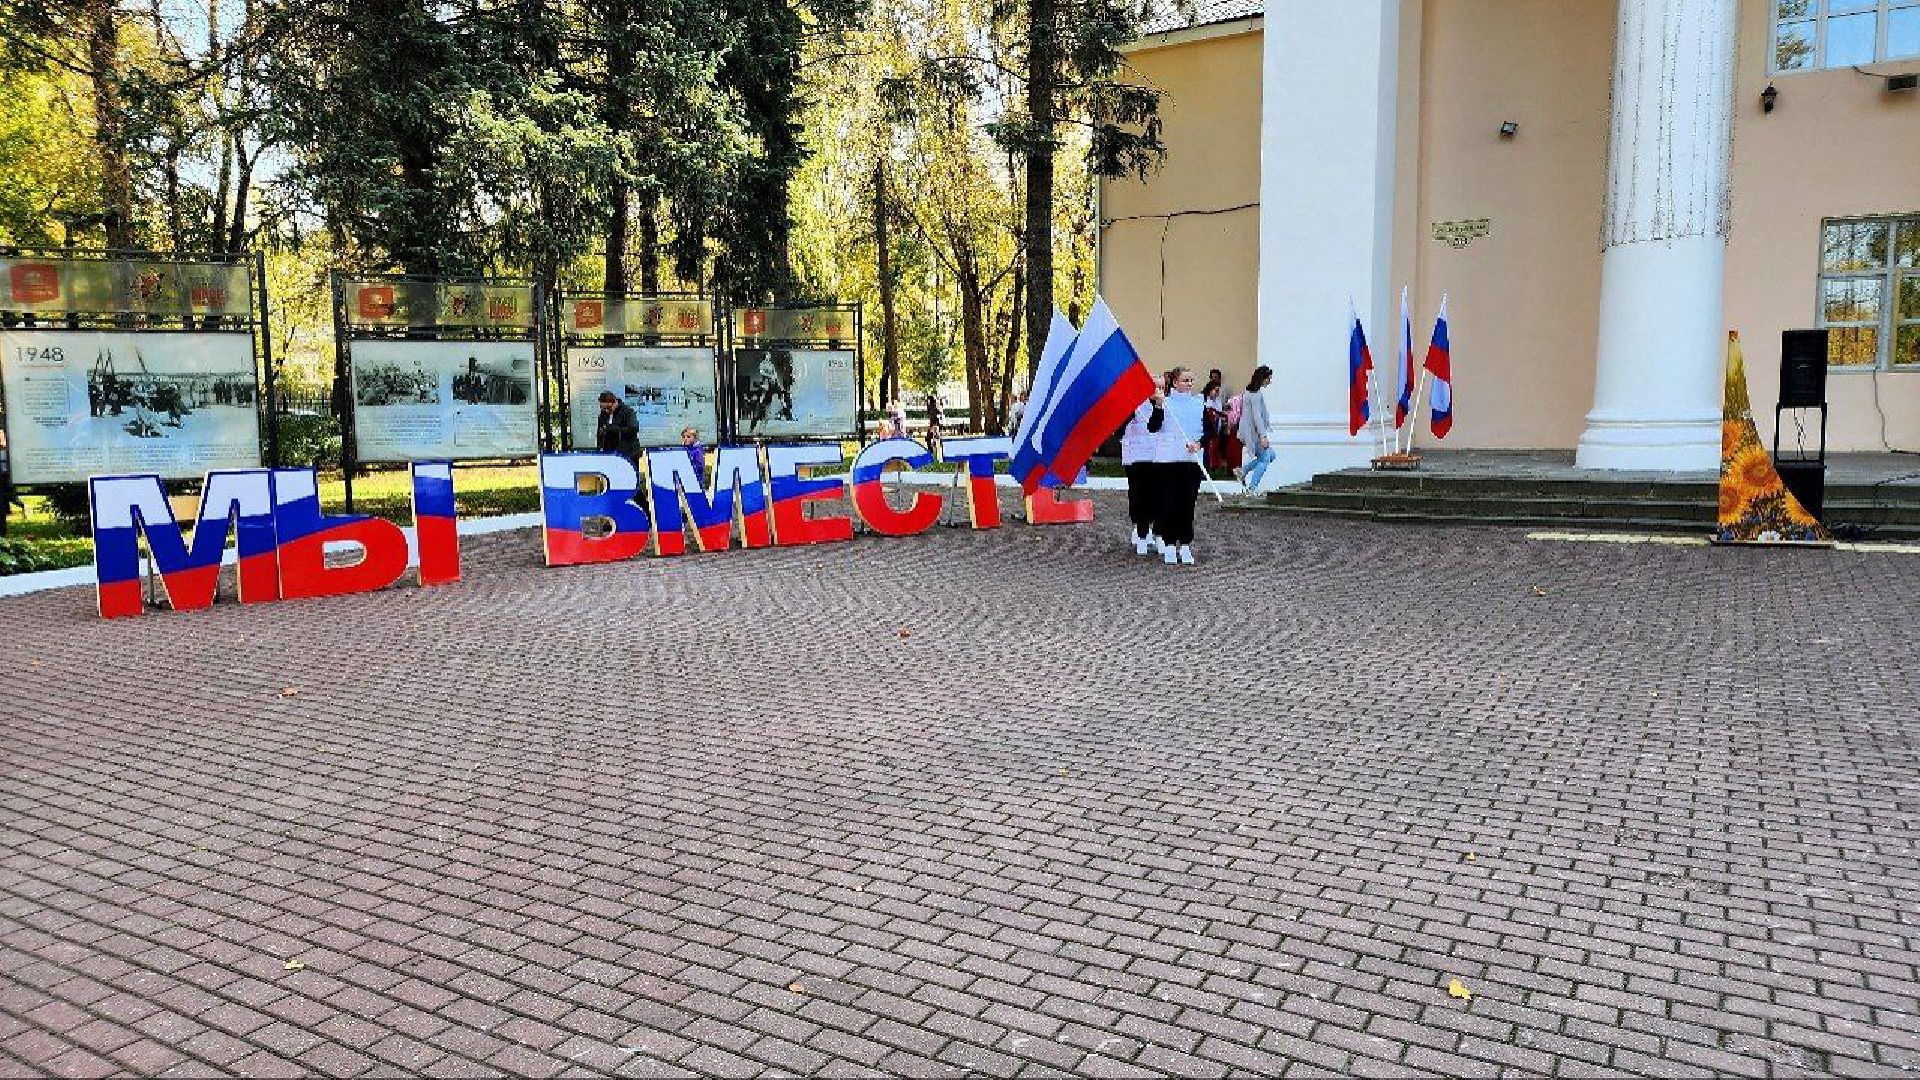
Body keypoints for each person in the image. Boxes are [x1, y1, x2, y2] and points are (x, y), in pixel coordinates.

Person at [1147, 367, 1206, 565]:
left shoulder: (1199, 403)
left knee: (1187, 505)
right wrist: (1158, 407)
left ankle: (1186, 545)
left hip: (1191, 462)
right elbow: (1153, 427)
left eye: (1191, 380)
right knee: (1169, 504)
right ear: (1175, 383)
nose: (1189, 384)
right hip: (1168, 462)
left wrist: (1199, 444)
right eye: (1185, 380)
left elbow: (1209, 431)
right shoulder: (1166, 403)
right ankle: (1170, 544)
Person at [1121, 394, 1158, 556]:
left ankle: (1149, 526)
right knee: (1137, 493)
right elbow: (1120, 429)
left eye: (1162, 387)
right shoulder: (1134, 404)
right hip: (1135, 456)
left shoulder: (1165, 404)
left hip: (1157, 456)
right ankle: (1139, 526)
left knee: (1153, 495)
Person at [1238, 365, 1275, 493]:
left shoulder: (1251, 392)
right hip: (1254, 433)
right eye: (1268, 378)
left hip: (1251, 431)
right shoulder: (1254, 395)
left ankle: (1243, 471)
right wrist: (1263, 436)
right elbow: (1257, 416)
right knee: (1265, 458)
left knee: (1272, 455)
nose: (1269, 381)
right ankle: (1252, 488)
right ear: (1262, 378)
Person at [595, 391, 640, 463]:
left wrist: (613, 429)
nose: (606, 411)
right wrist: (599, 449)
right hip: (610, 453)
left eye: (608, 408)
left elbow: (633, 429)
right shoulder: (603, 414)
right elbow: (600, 433)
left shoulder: (627, 412)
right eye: (603, 408)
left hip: (628, 453)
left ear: (615, 402)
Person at [1201, 371, 1225, 470]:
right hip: (1207, 427)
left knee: (1215, 445)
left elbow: (1219, 411)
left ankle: (1213, 465)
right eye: (1216, 391)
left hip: (1215, 425)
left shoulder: (1217, 399)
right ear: (1210, 390)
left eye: (1218, 391)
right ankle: (1207, 466)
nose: (1217, 393)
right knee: (1208, 447)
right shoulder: (1204, 400)